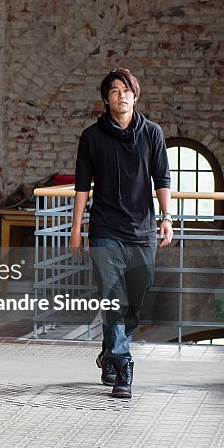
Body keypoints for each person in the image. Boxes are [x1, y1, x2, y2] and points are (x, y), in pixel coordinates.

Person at [69, 68, 173, 399]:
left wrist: (166, 217)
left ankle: (109, 349)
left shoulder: (152, 133)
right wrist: (76, 229)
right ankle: (123, 365)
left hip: (142, 230)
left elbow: (163, 180)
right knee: (114, 298)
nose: (121, 95)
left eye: (126, 89)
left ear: (135, 94)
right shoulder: (92, 136)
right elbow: (82, 186)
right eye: (115, 91)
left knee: (135, 301)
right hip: (105, 229)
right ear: (106, 99)